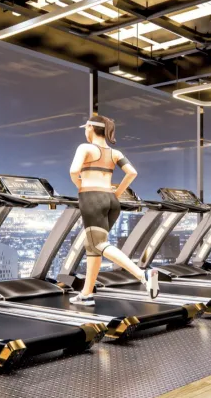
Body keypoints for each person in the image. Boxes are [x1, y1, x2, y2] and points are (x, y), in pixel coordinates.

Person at [68, 113, 159, 305]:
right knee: (93, 246)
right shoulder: (115, 153)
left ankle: (143, 275)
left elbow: (74, 171)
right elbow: (132, 172)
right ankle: (86, 294)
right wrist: (116, 193)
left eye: (86, 128)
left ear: (90, 128)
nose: (85, 131)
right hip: (111, 200)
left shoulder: (85, 148)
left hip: (92, 199)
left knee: (99, 244)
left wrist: (80, 185)